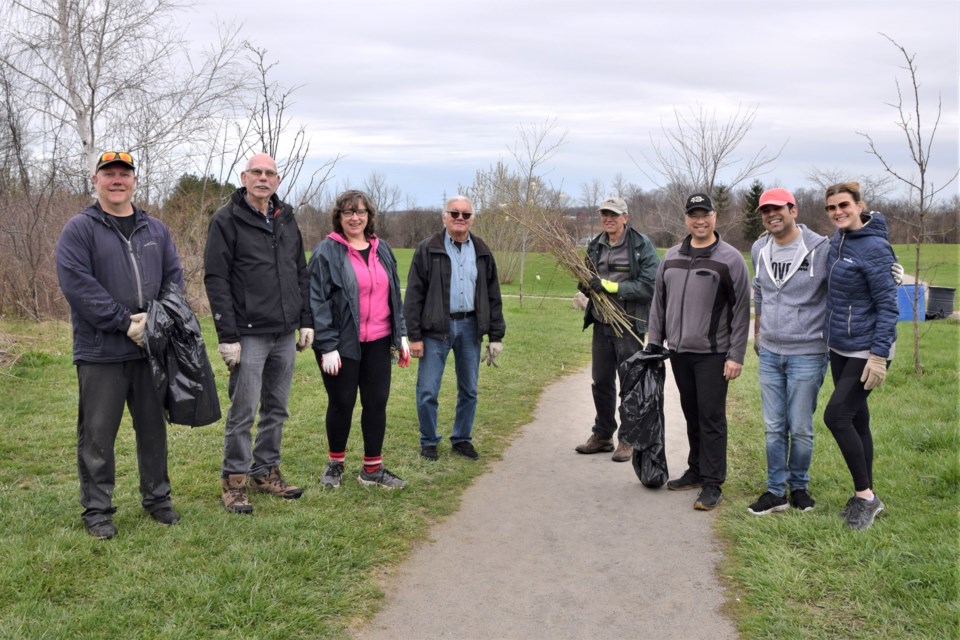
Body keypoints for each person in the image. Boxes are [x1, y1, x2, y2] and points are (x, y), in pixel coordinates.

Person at [55, 151, 185, 539]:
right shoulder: (80, 229)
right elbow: (78, 286)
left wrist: (155, 318)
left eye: (124, 174)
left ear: (134, 181)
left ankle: (157, 500)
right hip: (101, 352)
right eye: (109, 173)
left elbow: (174, 279)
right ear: (95, 179)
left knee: (152, 430)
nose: (117, 180)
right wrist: (122, 322)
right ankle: (97, 510)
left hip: (149, 348)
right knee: (97, 434)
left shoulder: (156, 230)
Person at [204, 153, 313, 514]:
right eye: (256, 172)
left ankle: (265, 471)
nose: (263, 178)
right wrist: (227, 335)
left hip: (284, 331)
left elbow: (301, 272)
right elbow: (216, 279)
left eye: (269, 173)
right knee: (244, 410)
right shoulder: (226, 220)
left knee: (277, 409)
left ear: (277, 181)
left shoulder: (286, 218)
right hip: (248, 333)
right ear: (244, 177)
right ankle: (234, 481)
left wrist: (306, 319)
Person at [646, 193, 750, 510]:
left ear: (715, 217)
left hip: (714, 354)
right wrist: (654, 341)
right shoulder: (672, 256)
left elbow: (742, 310)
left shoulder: (730, 259)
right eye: (694, 215)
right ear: (686, 219)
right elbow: (658, 302)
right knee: (691, 413)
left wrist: (736, 355)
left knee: (711, 417)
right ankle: (695, 469)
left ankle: (713, 482)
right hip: (679, 352)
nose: (700, 220)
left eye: (705, 214)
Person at [309, 190, 411, 490]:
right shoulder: (327, 252)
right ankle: (335, 463)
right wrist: (327, 345)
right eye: (348, 212)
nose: (355, 217)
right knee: (342, 402)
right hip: (342, 344)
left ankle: (372, 470)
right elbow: (317, 301)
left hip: (379, 341)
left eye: (361, 212)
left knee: (376, 403)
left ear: (370, 216)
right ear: (339, 217)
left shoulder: (383, 250)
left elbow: (394, 295)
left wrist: (401, 332)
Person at [404, 195, 505, 461]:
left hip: (471, 327)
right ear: (444, 217)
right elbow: (414, 295)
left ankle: (461, 438)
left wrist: (496, 335)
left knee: (469, 389)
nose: (460, 218)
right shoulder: (428, 249)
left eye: (466, 214)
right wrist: (413, 336)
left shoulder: (482, 251)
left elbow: (493, 296)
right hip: (436, 329)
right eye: (454, 213)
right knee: (428, 390)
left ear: (472, 219)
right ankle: (429, 441)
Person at [747, 188, 829, 515]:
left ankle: (799, 487)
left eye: (777, 208)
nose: (771, 215)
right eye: (765, 211)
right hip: (770, 353)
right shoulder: (759, 248)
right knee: (773, 426)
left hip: (807, 352)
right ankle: (775, 490)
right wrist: (758, 332)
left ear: (793, 209)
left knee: (801, 426)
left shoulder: (820, 248)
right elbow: (759, 292)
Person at [822, 181, 898, 530]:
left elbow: (887, 306)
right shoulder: (837, 240)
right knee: (857, 419)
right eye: (832, 207)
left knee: (836, 416)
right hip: (840, 345)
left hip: (866, 349)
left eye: (844, 205)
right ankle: (867, 494)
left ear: (859, 205)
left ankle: (866, 497)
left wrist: (879, 356)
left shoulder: (875, 248)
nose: (838, 211)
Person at [574, 196, 660, 462]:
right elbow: (586, 275)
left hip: (627, 324)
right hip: (601, 322)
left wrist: (612, 287)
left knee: (630, 383)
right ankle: (602, 434)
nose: (608, 219)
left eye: (614, 214)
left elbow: (650, 285)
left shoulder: (640, 245)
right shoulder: (596, 244)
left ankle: (628, 438)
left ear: (625, 217)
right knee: (601, 380)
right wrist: (585, 285)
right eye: (604, 214)